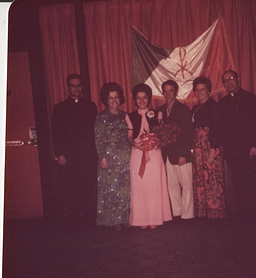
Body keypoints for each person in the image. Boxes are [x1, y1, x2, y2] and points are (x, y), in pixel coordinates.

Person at [51, 73, 98, 226]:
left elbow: (95, 131)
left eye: (79, 85)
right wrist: (59, 154)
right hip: (70, 155)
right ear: (67, 87)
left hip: (88, 154)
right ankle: (75, 221)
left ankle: (90, 219)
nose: (76, 88)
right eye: (73, 85)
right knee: (72, 188)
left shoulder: (90, 106)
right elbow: (56, 132)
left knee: (89, 187)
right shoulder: (60, 108)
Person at [125, 83, 172, 229]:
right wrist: (136, 144)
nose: (141, 100)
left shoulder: (156, 114)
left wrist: (157, 142)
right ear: (134, 99)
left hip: (154, 153)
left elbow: (162, 134)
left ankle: (155, 218)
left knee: (154, 186)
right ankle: (141, 220)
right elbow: (129, 137)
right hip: (138, 153)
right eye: (138, 98)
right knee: (140, 186)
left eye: (144, 97)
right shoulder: (130, 116)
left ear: (149, 99)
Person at [219, 70, 256, 218]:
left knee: (252, 183)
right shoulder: (223, 102)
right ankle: (243, 215)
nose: (229, 82)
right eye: (225, 81)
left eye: (231, 79)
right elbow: (223, 128)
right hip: (232, 152)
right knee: (238, 183)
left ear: (238, 79)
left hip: (249, 150)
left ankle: (255, 216)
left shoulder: (250, 98)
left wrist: (255, 145)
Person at [94, 82, 131, 230]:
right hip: (108, 157)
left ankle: (126, 218)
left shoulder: (126, 116)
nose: (114, 101)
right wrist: (102, 157)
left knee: (125, 190)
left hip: (125, 157)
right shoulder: (101, 117)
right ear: (106, 99)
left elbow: (131, 136)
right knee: (111, 190)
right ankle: (114, 221)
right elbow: (98, 138)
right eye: (110, 98)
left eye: (116, 98)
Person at [157, 80, 194, 220]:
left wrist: (183, 154)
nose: (168, 94)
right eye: (165, 91)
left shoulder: (183, 109)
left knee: (186, 185)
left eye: (170, 90)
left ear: (176, 92)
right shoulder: (160, 110)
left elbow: (187, 134)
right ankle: (177, 213)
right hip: (167, 154)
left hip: (181, 154)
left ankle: (188, 215)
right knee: (172, 186)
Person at [191, 76, 226, 219]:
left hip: (211, 147)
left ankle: (215, 213)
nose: (199, 92)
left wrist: (212, 152)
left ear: (208, 91)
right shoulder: (195, 107)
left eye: (202, 89)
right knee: (201, 179)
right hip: (199, 150)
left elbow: (217, 129)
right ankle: (203, 211)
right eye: (197, 90)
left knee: (212, 180)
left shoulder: (214, 106)